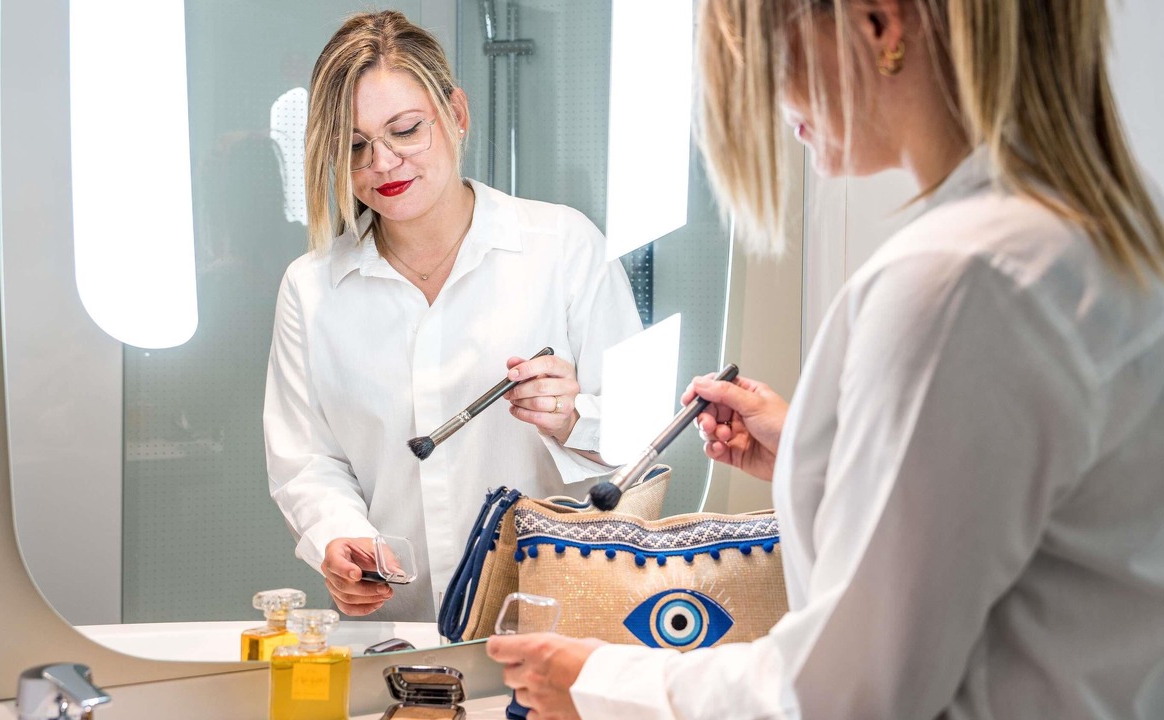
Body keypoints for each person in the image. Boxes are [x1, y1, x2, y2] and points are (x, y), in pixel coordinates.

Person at [487, 0, 1164, 717]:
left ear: (879, 24)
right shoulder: (1102, 236)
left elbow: (851, 692)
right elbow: (1015, 537)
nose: (773, 103)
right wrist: (823, 462)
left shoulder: (961, 281)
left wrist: (596, 683)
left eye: (766, 55)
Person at [263, 10, 642, 622]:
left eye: (405, 130)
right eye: (355, 145)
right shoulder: (311, 289)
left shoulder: (563, 247)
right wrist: (339, 539)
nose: (382, 163)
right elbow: (309, 460)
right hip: (398, 628)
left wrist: (576, 419)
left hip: (552, 624)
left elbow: (643, 436)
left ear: (457, 115)